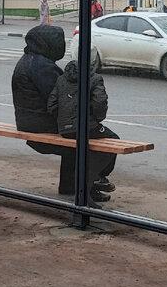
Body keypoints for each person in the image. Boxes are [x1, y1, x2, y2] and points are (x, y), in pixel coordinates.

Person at [10, 24, 109, 204]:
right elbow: (61, 102)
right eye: (58, 41)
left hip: (28, 121)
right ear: (48, 43)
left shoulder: (30, 59)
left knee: (75, 135)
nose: (61, 45)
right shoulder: (42, 66)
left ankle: (71, 185)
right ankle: (88, 187)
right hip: (41, 124)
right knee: (93, 139)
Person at [47, 57, 118, 197]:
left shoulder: (61, 79)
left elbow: (52, 105)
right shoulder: (95, 78)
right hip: (87, 127)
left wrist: (63, 120)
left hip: (65, 130)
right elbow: (100, 102)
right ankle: (98, 178)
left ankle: (70, 186)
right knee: (114, 140)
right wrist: (96, 119)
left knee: (75, 148)